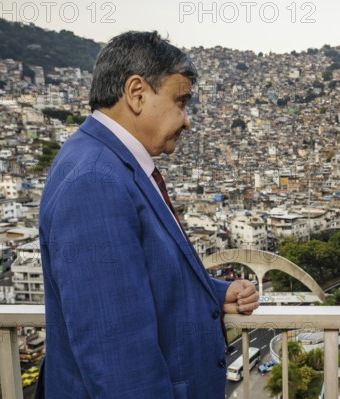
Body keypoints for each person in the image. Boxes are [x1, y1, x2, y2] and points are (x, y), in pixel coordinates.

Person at [38, 31, 259, 398]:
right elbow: (118, 358)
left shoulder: (106, 162)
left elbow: (136, 278)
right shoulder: (96, 181)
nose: (187, 121)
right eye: (180, 102)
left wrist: (213, 294)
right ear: (137, 93)